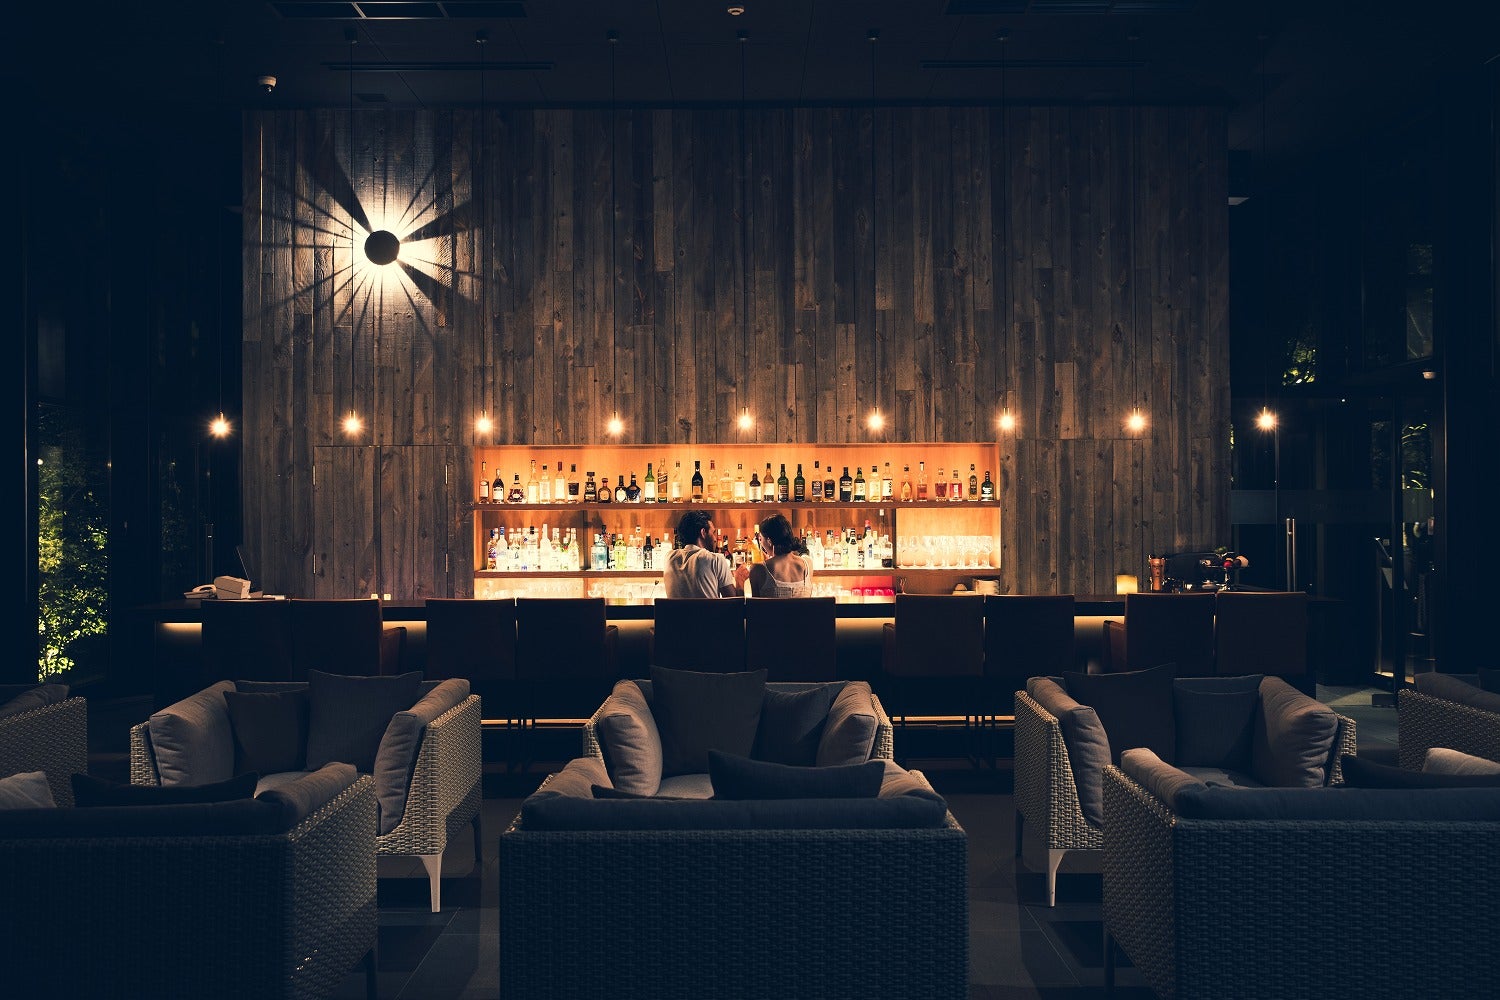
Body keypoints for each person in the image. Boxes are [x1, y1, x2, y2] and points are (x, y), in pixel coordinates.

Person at [662, 509, 749, 598]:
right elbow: (734, 604)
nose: (715, 539)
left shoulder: (669, 558)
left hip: (677, 608)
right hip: (710, 609)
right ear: (703, 532)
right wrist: (740, 580)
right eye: (713, 533)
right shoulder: (716, 560)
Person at [746, 513, 812, 598]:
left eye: (760, 539)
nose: (760, 543)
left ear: (769, 541)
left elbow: (754, 605)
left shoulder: (758, 569)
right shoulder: (808, 564)